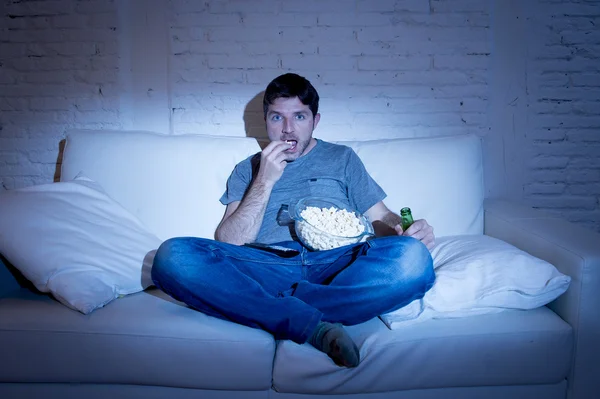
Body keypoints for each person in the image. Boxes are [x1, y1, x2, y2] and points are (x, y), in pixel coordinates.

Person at [151, 73, 436, 368]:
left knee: (413, 259)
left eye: (299, 116)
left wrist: (404, 229)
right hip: (266, 266)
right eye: (277, 118)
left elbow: (380, 217)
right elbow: (229, 240)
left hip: (338, 264)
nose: (288, 129)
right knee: (172, 256)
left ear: (315, 120)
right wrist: (264, 179)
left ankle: (271, 307)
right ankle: (312, 326)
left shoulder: (342, 158)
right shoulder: (246, 169)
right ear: (266, 120)